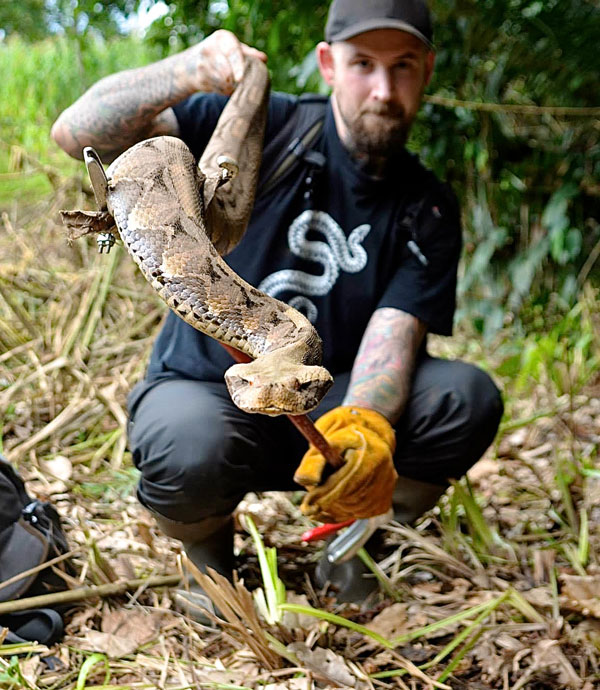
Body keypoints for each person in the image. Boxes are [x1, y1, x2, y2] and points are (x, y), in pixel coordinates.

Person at [52, 0, 504, 607]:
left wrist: (365, 425)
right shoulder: (261, 123)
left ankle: (354, 540)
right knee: (184, 442)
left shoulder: (427, 204)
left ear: (426, 70)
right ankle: (206, 559)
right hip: (213, 397)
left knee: (464, 399)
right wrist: (193, 68)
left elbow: (395, 332)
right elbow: (76, 133)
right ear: (328, 64)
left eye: (402, 67)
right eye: (363, 62)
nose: (382, 87)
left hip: (320, 409)